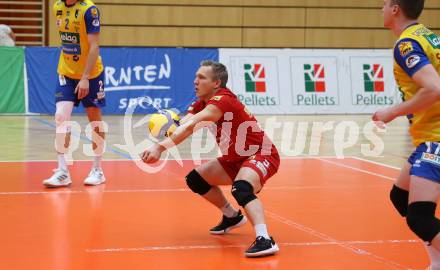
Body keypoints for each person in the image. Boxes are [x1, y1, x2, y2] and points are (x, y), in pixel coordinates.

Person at [142, 60, 280, 257]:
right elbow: (184, 122)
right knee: (195, 179)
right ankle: (232, 216)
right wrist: (171, 123)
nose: (195, 81)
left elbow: (189, 127)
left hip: (261, 153)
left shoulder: (223, 100)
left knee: (241, 188)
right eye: (196, 76)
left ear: (216, 83)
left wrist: (159, 147)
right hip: (234, 159)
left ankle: (265, 239)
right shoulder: (201, 103)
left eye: (201, 77)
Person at [373, 0, 440, 268]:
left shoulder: (406, 45)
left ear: (395, 9)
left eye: (384, 4)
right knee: (400, 197)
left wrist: (393, 112)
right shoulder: (428, 36)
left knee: (419, 217)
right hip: (428, 136)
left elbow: (434, 88)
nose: (381, 9)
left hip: (436, 137)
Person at [43, 0, 106, 187]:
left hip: (91, 73)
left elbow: (94, 46)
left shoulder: (89, 10)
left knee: (94, 119)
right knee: (61, 117)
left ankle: (98, 169)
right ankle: (62, 171)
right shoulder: (57, 8)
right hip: (66, 73)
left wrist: (85, 77)